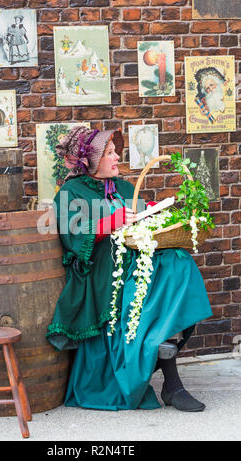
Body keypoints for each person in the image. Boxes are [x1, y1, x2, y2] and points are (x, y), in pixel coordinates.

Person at [46, 126, 213, 412]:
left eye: (115, 151)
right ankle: (171, 383)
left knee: (177, 261)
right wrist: (111, 222)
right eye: (109, 153)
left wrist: (159, 213)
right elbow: (72, 235)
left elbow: (142, 216)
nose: (116, 157)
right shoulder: (70, 192)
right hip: (100, 269)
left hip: (133, 259)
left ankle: (172, 382)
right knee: (159, 276)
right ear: (91, 159)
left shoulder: (122, 187)